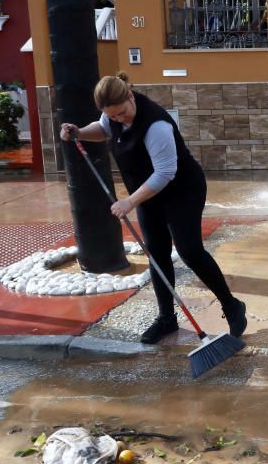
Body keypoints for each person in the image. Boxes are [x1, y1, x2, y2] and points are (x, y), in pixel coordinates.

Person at [60, 72, 248, 344]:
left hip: (182, 190)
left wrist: (129, 201)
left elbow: (164, 172)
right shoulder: (112, 116)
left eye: (121, 113)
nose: (118, 119)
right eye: (112, 115)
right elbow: (103, 129)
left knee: (190, 250)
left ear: (130, 96)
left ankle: (231, 305)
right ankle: (166, 319)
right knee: (157, 253)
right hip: (148, 194)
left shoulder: (155, 125)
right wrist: (79, 132)